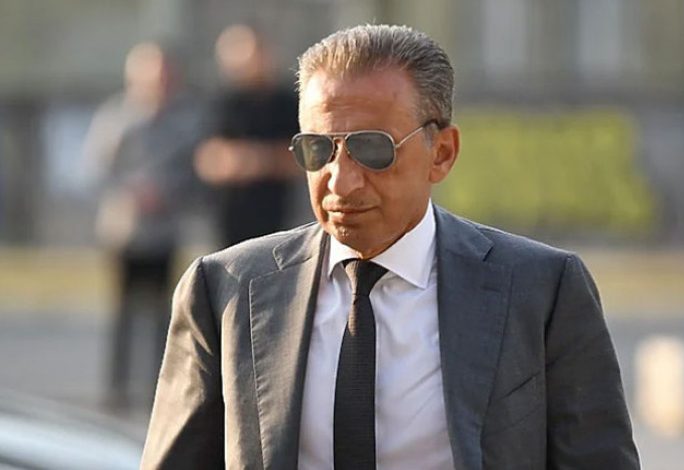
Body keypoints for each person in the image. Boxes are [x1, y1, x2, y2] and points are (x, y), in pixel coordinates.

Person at [142, 25, 640, 469]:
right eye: (318, 149)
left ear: (441, 153)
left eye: (371, 148)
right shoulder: (225, 290)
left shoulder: (542, 291)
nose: (341, 181)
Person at [84, 42, 201, 410]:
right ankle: (116, 387)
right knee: (122, 312)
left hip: (164, 231)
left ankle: (158, 385)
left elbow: (195, 172)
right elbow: (95, 170)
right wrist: (132, 192)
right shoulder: (116, 118)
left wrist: (167, 192)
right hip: (124, 230)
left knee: (164, 313)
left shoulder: (186, 122)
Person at [194, 24, 301, 248]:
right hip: (229, 222)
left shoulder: (287, 103)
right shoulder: (221, 104)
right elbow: (206, 160)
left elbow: (303, 158)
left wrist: (258, 160)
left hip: (279, 221)